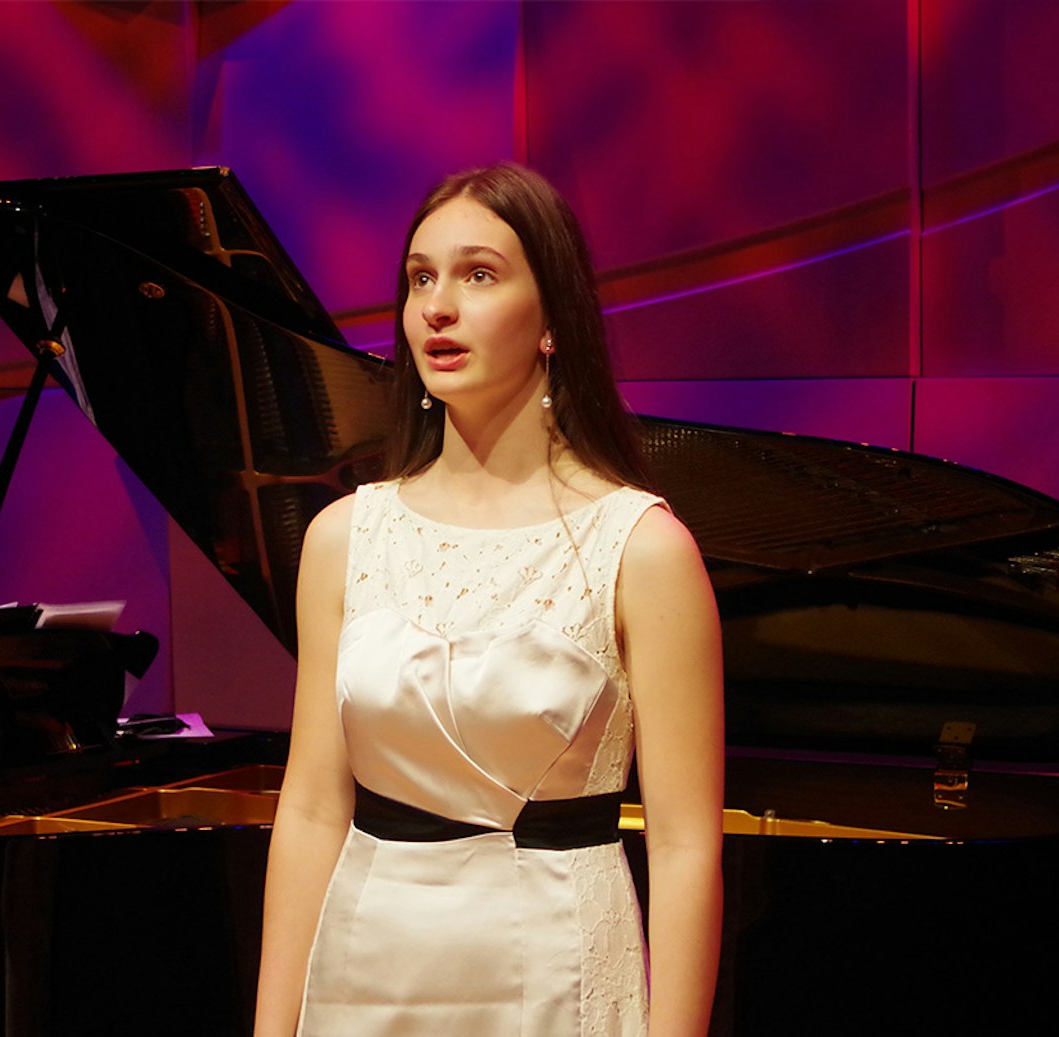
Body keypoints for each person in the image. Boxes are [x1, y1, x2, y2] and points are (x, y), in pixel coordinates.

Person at [252, 163, 725, 1036]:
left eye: (478, 274)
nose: (437, 305)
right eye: (419, 277)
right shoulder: (343, 537)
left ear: (552, 320)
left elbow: (686, 844)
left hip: (556, 970)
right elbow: (315, 808)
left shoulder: (643, 549)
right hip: (368, 969)